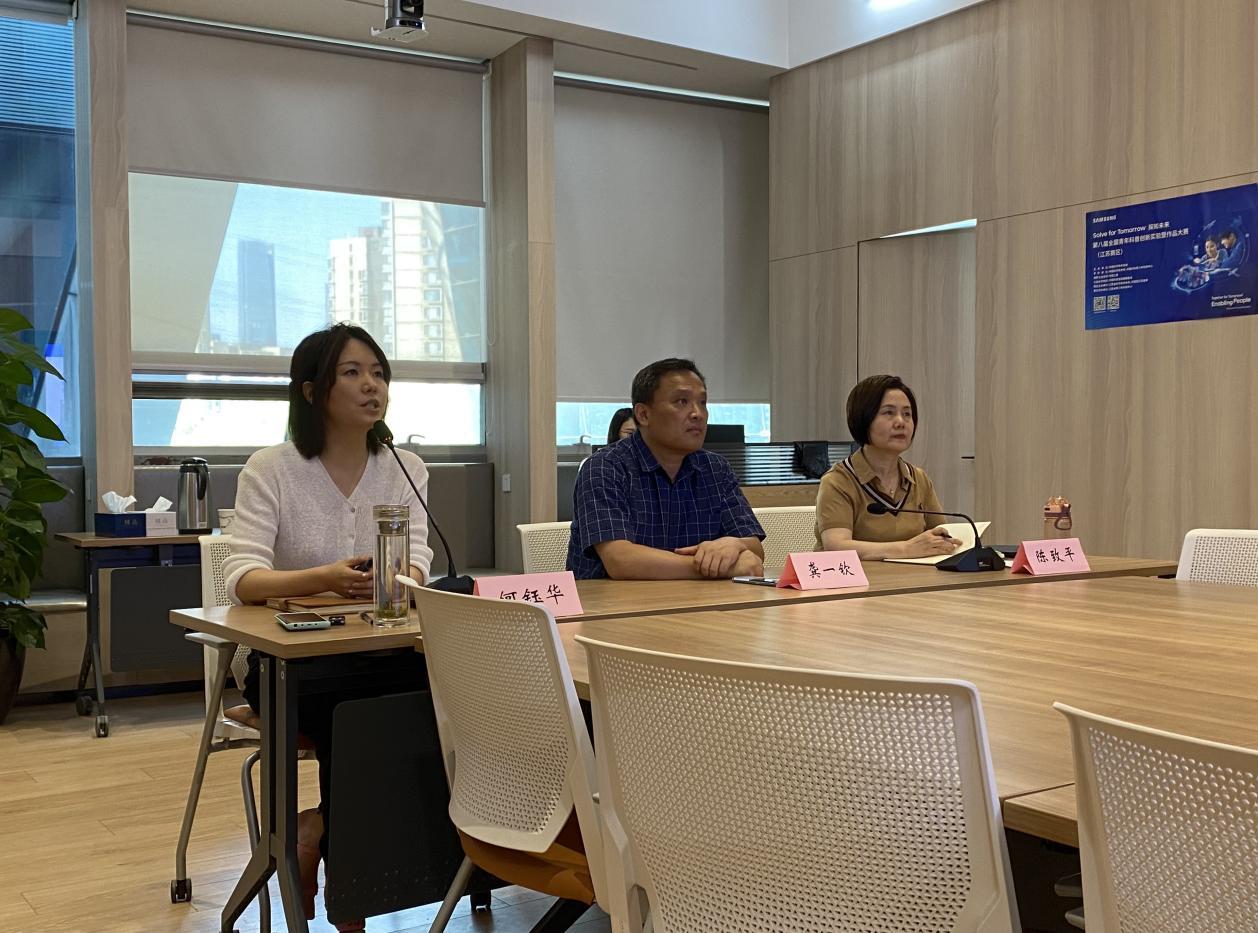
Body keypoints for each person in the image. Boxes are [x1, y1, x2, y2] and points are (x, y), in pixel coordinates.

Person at [222, 322, 434, 932]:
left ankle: (322, 831)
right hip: (289, 661)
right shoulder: (272, 468)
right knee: (357, 713)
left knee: (439, 698)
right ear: (312, 391)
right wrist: (325, 579)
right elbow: (242, 579)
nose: (372, 386)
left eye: (379, 373)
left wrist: (399, 580)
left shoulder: (405, 466)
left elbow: (418, 563)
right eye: (353, 373)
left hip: (384, 645)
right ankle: (353, 887)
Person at [567, 358, 765, 579]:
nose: (697, 413)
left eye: (702, 402)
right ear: (643, 414)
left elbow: (754, 548)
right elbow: (621, 560)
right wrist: (713, 567)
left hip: (696, 598)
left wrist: (735, 544)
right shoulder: (605, 466)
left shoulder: (716, 468)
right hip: (614, 600)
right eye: (681, 402)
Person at [814, 374, 960, 561]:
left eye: (907, 414)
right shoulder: (838, 481)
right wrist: (906, 549)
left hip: (914, 577)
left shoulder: (919, 478)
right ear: (863, 419)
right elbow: (836, 546)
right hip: (854, 579)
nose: (901, 422)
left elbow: (940, 534)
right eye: (889, 413)